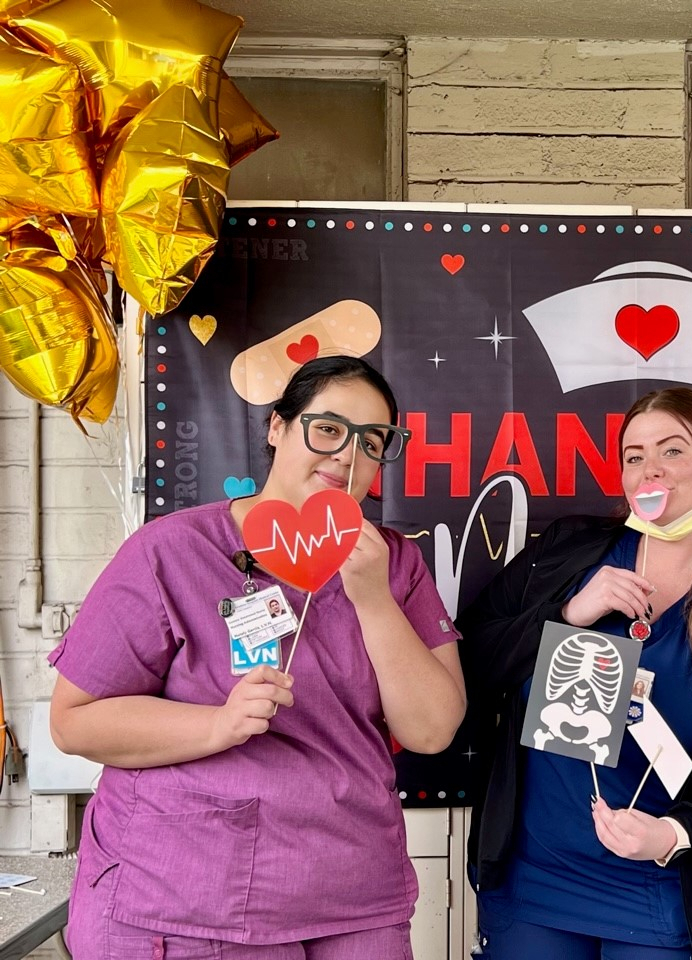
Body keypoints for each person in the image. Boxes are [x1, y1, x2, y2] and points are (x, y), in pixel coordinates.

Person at [48, 355, 466, 959]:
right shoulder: (171, 552)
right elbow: (74, 719)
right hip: (184, 896)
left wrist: (372, 598)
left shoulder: (394, 563)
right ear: (277, 427)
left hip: (353, 894)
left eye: (373, 442)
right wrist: (216, 723)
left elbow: (431, 731)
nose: (348, 455)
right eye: (327, 429)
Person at [458, 387, 692, 960]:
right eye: (634, 456)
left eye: (673, 451)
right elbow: (468, 661)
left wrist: (675, 834)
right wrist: (567, 615)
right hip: (534, 885)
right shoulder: (567, 553)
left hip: (661, 893)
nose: (650, 470)